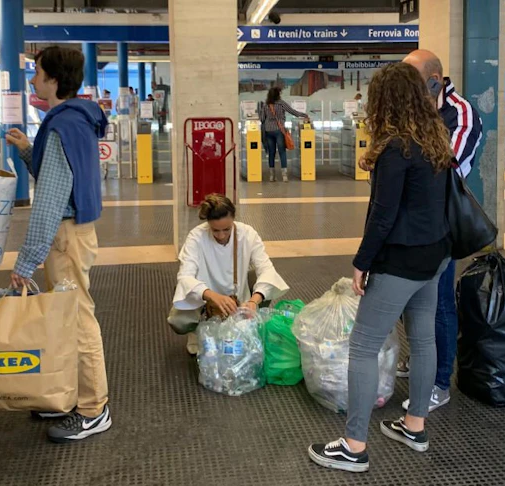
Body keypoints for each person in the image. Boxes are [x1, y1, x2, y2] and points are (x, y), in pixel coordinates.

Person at [308, 62, 453, 473]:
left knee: (363, 346)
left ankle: (354, 446)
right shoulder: (435, 137)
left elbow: (383, 217)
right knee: (423, 340)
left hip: (402, 259)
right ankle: (414, 425)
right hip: (436, 254)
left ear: (383, 101)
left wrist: (362, 262)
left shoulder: (396, 148)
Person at [4, 46, 112, 443]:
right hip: (76, 232)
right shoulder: (80, 119)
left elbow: (50, 199)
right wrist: (28, 150)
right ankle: (69, 396)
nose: (32, 79)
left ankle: (92, 409)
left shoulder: (62, 124)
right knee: (69, 318)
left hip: (65, 237)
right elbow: (60, 177)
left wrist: (25, 261)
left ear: (52, 80)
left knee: (79, 321)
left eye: (36, 73)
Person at [395, 49, 483, 415]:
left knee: (439, 302)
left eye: (412, 79)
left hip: (441, 221)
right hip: (405, 219)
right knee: (406, 297)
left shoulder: (459, 113)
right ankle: (420, 359)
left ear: (434, 79)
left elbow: (442, 165)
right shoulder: (407, 109)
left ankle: (439, 381)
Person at [169, 194, 289, 355]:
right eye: (215, 230)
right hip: (206, 296)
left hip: (238, 292)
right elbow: (185, 276)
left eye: (226, 229)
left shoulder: (248, 234)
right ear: (208, 224)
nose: (221, 235)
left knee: (263, 282)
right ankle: (198, 329)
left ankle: (242, 317)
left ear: (234, 219)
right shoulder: (196, 237)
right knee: (179, 320)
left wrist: (254, 300)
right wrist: (211, 295)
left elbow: (266, 269)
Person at [258, 86, 310, 182]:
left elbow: (261, 119)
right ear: (278, 94)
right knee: (282, 152)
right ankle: (284, 176)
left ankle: (272, 176)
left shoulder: (266, 105)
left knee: (271, 153)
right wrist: (304, 115)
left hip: (268, 131)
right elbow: (293, 112)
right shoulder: (281, 104)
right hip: (279, 130)